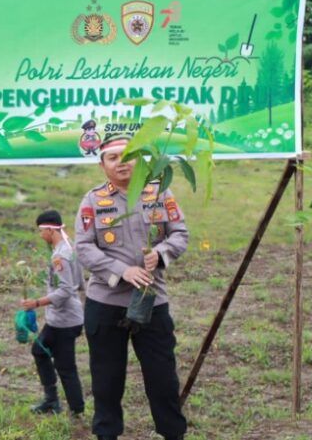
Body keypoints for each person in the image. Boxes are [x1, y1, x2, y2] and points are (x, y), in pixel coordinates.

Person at [75, 134, 188, 440]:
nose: (121, 163)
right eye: (112, 158)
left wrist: (160, 254)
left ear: (139, 159)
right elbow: (83, 248)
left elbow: (179, 234)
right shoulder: (93, 200)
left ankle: (172, 433)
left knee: (162, 376)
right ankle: (107, 435)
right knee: (107, 380)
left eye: (127, 155)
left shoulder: (159, 193)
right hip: (106, 303)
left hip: (152, 299)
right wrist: (122, 270)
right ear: (102, 165)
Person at [20, 210, 85, 416]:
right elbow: (80, 282)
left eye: (41, 231)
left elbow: (66, 290)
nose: (40, 236)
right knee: (39, 351)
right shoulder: (69, 247)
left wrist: (37, 302)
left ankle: (75, 409)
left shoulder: (60, 256)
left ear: (50, 229)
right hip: (62, 318)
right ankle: (52, 400)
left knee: (66, 367)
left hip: (64, 321)